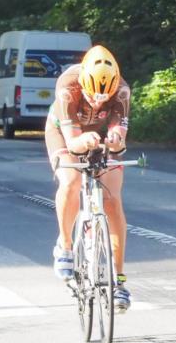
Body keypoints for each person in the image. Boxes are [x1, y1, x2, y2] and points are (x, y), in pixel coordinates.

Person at [44, 45, 132, 311]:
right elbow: (73, 143)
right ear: (83, 83)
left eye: (104, 97)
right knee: (70, 180)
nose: (97, 101)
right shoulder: (67, 87)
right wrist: (82, 140)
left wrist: (116, 140)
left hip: (97, 136)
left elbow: (119, 134)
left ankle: (118, 281)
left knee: (112, 201)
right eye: (92, 95)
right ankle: (66, 246)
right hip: (64, 132)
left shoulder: (122, 91)